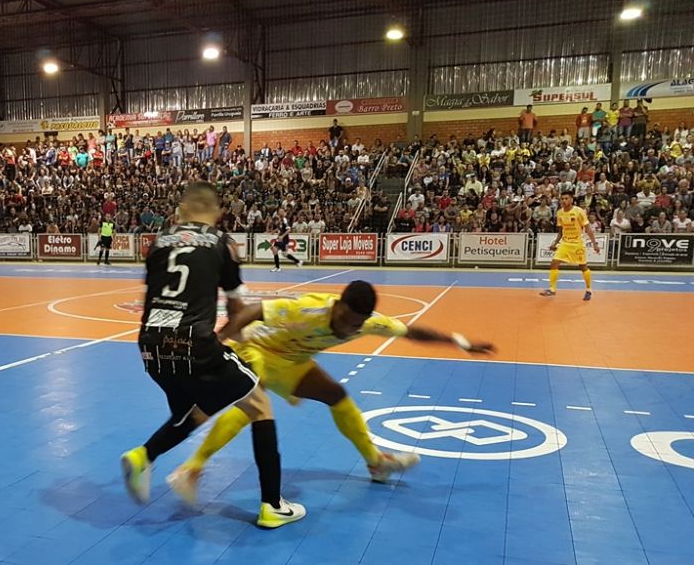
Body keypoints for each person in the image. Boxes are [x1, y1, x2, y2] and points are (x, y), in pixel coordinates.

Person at [167, 281, 495, 496]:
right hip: (257, 350)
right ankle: (191, 469)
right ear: (337, 305)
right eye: (345, 320)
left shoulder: (367, 322)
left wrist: (460, 342)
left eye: (356, 325)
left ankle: (376, 463)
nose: (348, 330)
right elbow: (253, 310)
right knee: (254, 406)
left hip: (292, 361)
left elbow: (412, 333)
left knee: (336, 396)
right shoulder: (308, 309)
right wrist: (220, 341)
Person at [120, 181, 305, 529]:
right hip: (194, 342)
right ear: (217, 211)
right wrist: (233, 340)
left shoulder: (159, 241)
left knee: (193, 412)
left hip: (150, 344)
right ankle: (272, 505)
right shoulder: (223, 243)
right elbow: (237, 311)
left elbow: (152, 296)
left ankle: (143, 456)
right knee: (259, 403)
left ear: (182, 209)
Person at [540, 192, 600, 301]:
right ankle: (552, 289)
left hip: (578, 243)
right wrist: (555, 243)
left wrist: (594, 244)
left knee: (583, 266)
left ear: (571, 199)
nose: (564, 201)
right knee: (554, 262)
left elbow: (588, 229)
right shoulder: (559, 213)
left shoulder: (579, 212)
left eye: (566, 198)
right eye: (562, 199)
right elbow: (560, 231)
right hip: (565, 243)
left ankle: (589, 289)